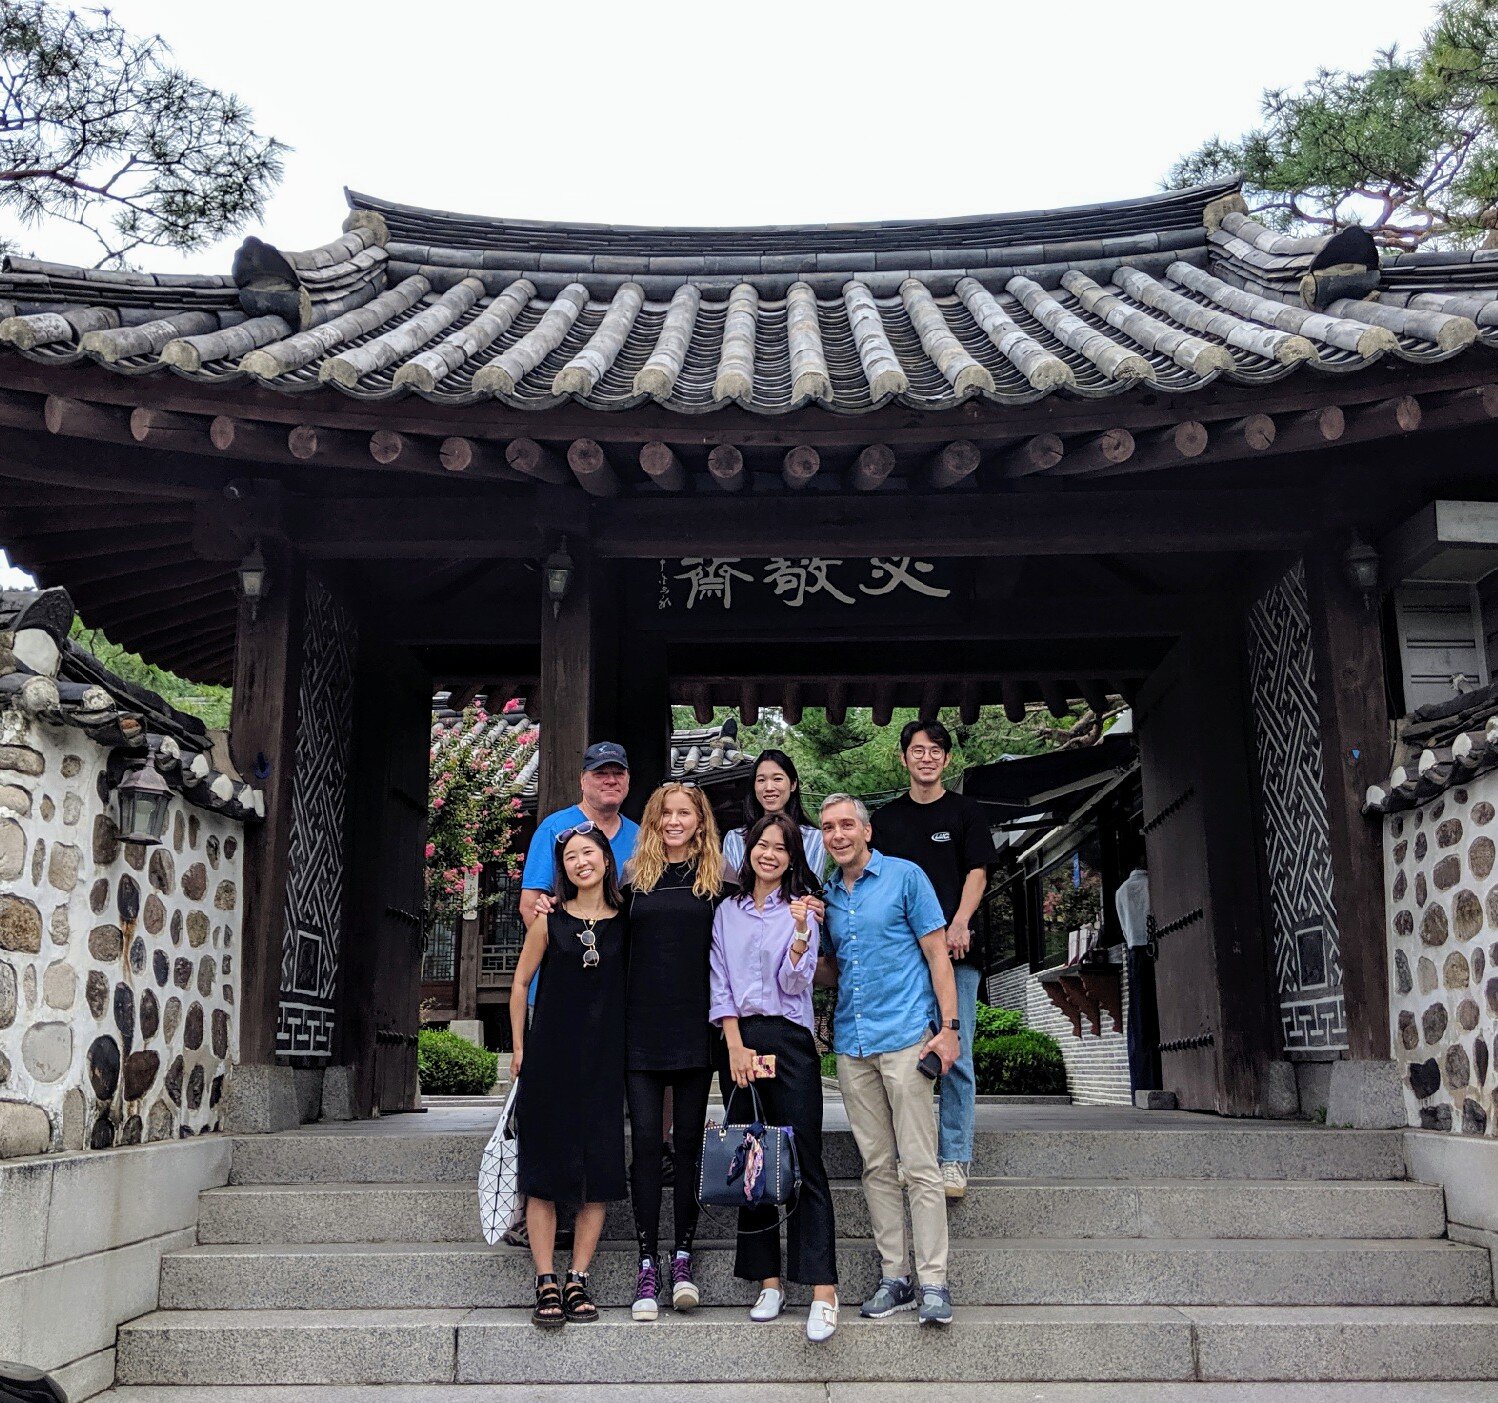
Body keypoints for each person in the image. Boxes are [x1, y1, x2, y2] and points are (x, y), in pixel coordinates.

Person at [817, 793, 960, 1328]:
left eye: (847, 824)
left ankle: (935, 1283)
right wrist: (793, 943)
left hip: (905, 1038)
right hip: (853, 1046)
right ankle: (894, 1277)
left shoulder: (906, 877)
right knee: (877, 1166)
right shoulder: (826, 894)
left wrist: (949, 1031)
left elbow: (937, 953)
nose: (838, 834)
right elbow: (832, 971)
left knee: (920, 1166)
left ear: (867, 831)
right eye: (829, 827)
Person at [710, 812, 840, 1342]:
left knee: (805, 1156)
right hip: (739, 1042)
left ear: (792, 856)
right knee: (753, 1159)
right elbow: (719, 981)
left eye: (779, 848)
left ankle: (823, 1291)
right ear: (747, 853)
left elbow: (794, 983)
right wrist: (735, 1046)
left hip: (788, 1038)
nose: (768, 854)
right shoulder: (727, 913)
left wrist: (803, 934)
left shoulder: (802, 909)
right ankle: (768, 1281)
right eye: (760, 845)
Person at [508, 823, 627, 1328]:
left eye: (590, 852)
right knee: (543, 1174)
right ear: (565, 869)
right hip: (550, 1059)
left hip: (605, 1063)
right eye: (573, 856)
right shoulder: (547, 921)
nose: (582, 862)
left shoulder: (627, 921)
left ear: (606, 859)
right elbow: (520, 983)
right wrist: (518, 1048)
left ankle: (577, 1276)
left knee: (596, 1175)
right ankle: (545, 1280)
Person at [871, 718, 995, 1200]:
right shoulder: (884, 820)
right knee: (905, 1057)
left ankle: (954, 1161)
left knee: (954, 1056)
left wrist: (960, 921)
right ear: (903, 759)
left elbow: (978, 872)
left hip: (956, 951)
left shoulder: (966, 812)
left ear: (946, 758)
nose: (927, 757)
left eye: (936, 750)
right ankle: (913, 1156)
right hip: (902, 959)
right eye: (918, 750)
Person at [623, 782, 726, 1322]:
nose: (674, 821)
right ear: (653, 820)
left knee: (687, 1144)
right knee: (645, 1144)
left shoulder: (718, 882)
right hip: (640, 1027)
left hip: (695, 1027)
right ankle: (646, 1261)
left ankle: (683, 1257)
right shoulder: (632, 879)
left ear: (700, 821)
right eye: (666, 813)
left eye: (685, 813)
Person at [722, 749, 828, 879]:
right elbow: (732, 892)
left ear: (793, 784)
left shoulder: (815, 839)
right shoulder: (734, 839)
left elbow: (810, 891)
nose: (769, 788)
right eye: (761, 780)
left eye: (777, 779)